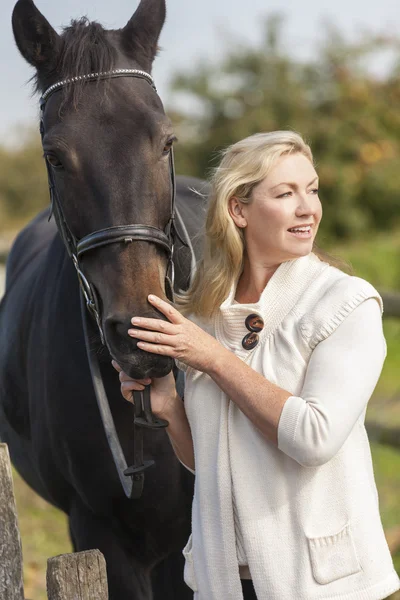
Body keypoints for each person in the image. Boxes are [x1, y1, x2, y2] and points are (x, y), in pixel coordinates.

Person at [112, 131, 400, 600]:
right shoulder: (204, 314)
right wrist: (168, 409)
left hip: (320, 585)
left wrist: (213, 358)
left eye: (312, 189)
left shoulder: (346, 304)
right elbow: (212, 464)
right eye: (286, 194)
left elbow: (313, 437)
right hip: (225, 581)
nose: (308, 207)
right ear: (238, 210)